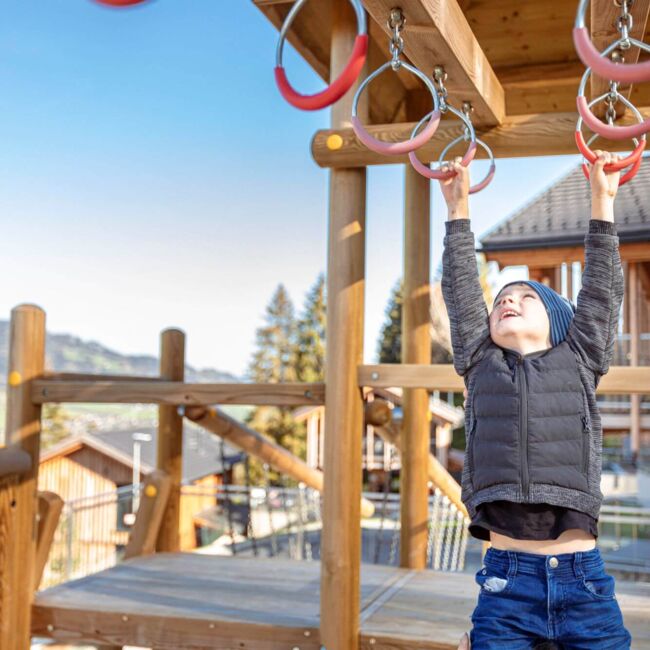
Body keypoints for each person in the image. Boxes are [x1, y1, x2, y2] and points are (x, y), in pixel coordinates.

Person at [439, 152, 632, 649]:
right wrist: (457, 210)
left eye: (525, 298)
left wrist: (601, 201)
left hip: (582, 582)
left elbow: (602, 293)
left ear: (558, 323)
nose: (507, 300)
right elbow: (462, 292)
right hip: (506, 583)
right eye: (502, 297)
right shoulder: (480, 361)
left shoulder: (581, 356)